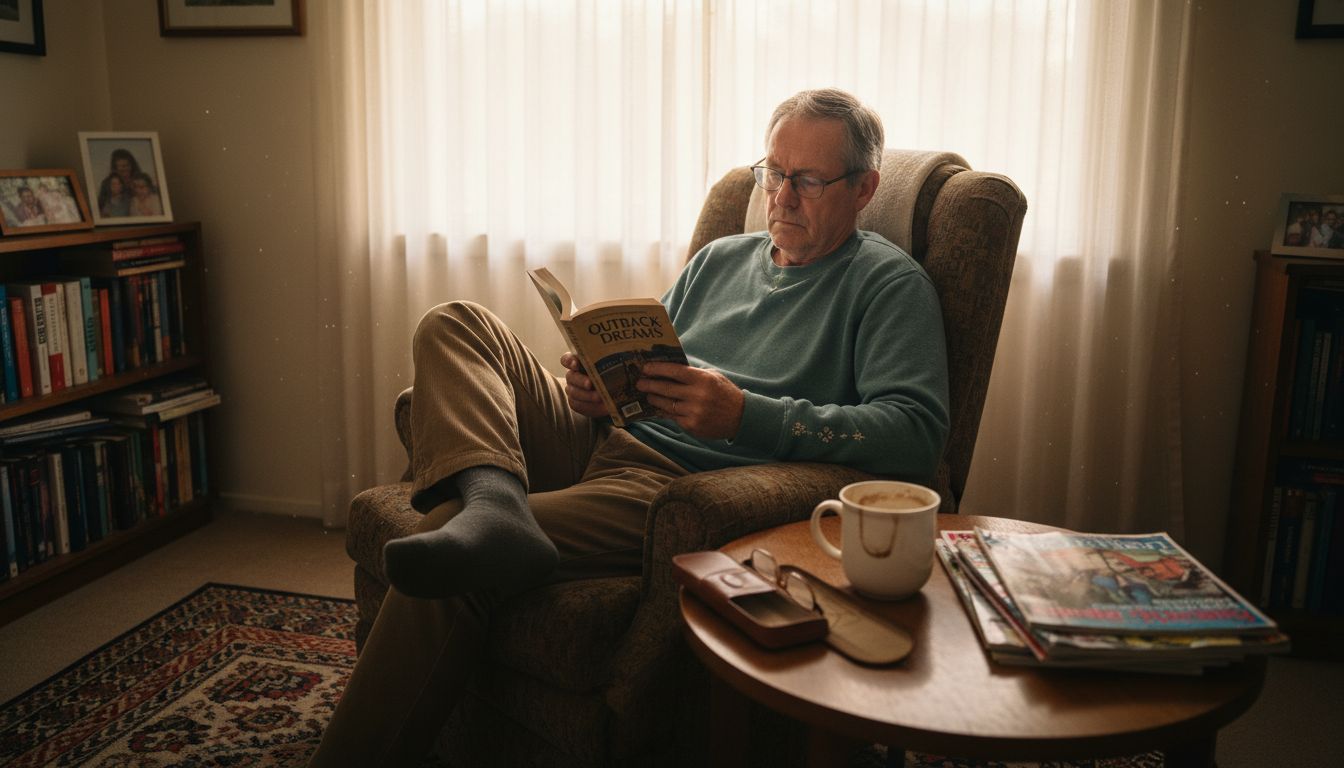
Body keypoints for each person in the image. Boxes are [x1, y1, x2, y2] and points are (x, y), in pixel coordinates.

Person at [306, 88, 950, 766]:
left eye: (808, 180)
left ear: (864, 188)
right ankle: (495, 506)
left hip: (676, 486)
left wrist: (745, 416)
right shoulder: (721, 259)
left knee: (444, 534)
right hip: (608, 438)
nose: (782, 196)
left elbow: (913, 434)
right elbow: (648, 367)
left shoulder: (888, 286)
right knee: (456, 323)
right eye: (773, 172)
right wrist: (591, 389)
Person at [97, 148, 142, 217]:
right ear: (115, 167)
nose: (125, 169)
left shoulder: (140, 180)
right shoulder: (106, 183)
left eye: (127, 165)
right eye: (122, 167)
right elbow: (100, 204)